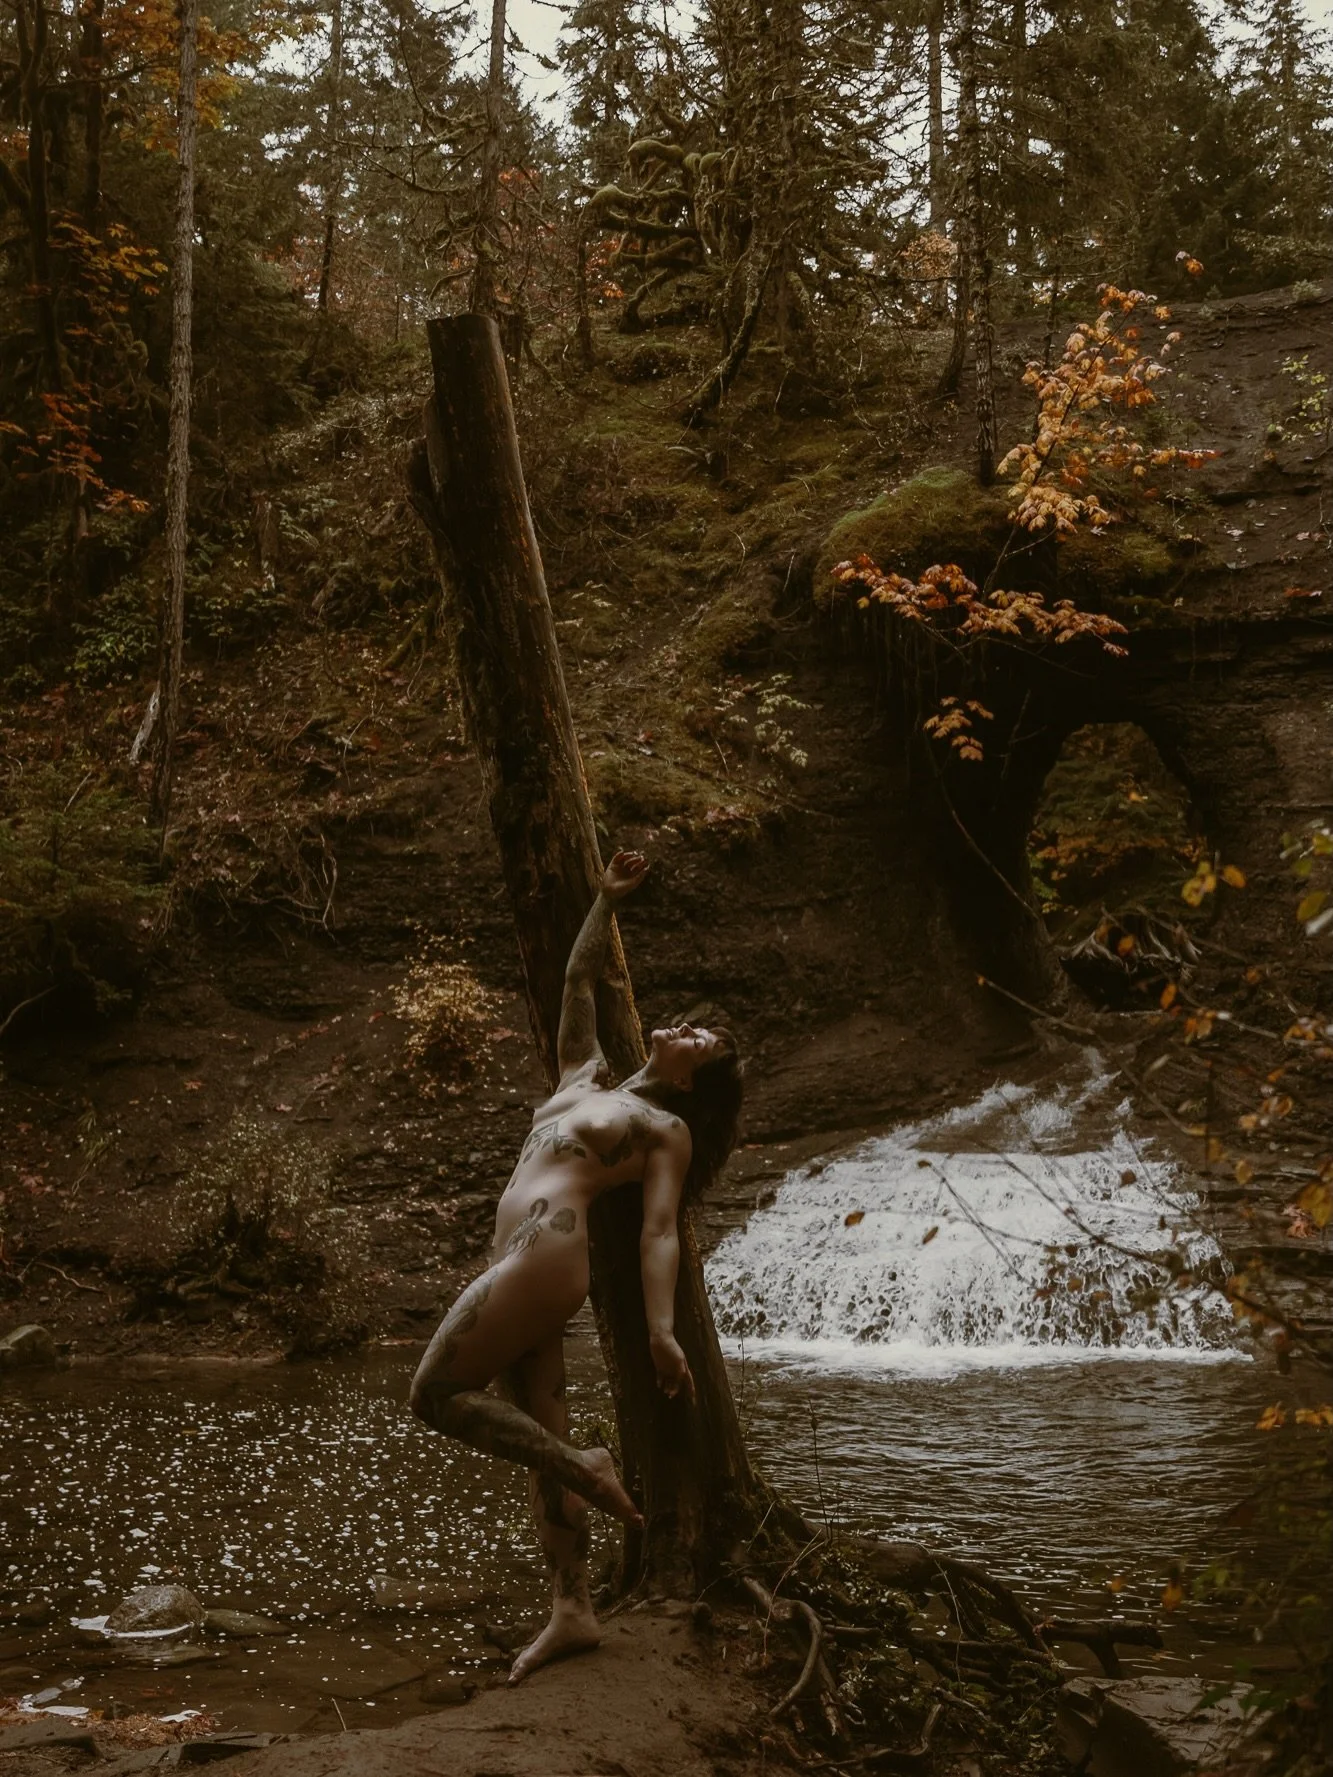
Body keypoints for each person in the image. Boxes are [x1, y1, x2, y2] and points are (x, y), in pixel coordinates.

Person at [408, 850, 743, 1684]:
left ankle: (587, 1467)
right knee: (535, 1437)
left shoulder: (665, 1129)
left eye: (703, 1039)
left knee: (433, 1394)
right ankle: (573, 1608)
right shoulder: (584, 1077)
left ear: (698, 1078)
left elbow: (658, 1231)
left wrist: (662, 1332)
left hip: (547, 1255)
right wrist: (604, 899)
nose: (687, 1028)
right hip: (520, 1259)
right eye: (696, 1023)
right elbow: (576, 983)